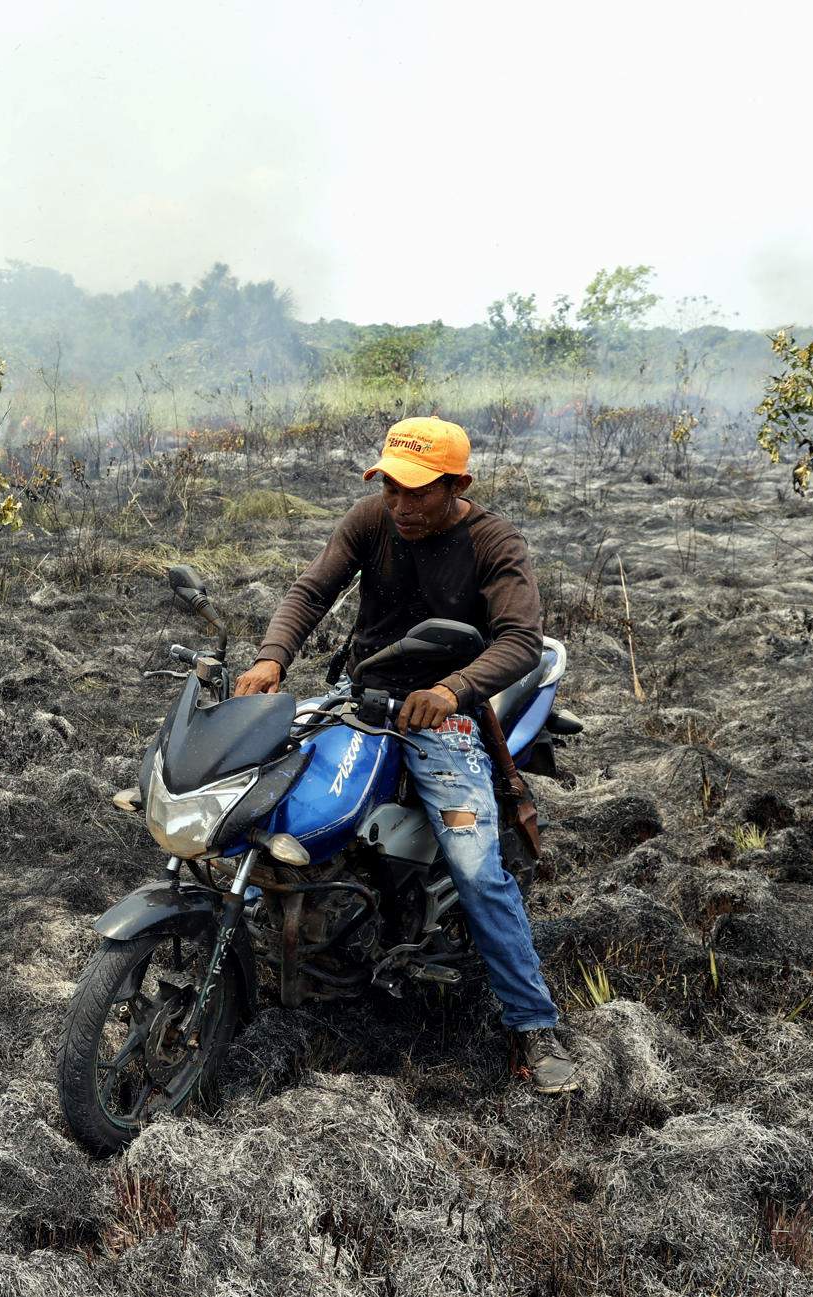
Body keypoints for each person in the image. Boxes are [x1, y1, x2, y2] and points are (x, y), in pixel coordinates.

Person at [232, 416, 579, 1095]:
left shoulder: (493, 543)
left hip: (442, 714)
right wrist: (272, 656)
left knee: (477, 868)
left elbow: (520, 640)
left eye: (419, 492)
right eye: (392, 487)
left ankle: (534, 1025)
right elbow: (311, 590)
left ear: (457, 485)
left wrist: (452, 690)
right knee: (259, 800)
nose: (401, 504)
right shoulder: (371, 521)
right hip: (359, 694)